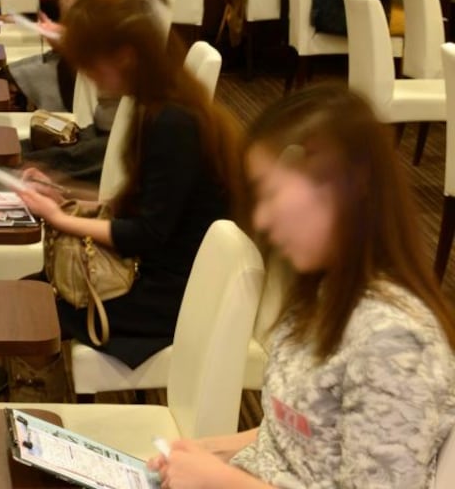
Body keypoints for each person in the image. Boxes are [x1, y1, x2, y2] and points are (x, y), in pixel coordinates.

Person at [149, 84, 455, 488]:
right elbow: (296, 435)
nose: (262, 220)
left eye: (273, 193)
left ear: (345, 187)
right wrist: (207, 451)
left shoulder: (394, 340)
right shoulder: (322, 293)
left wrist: (221, 481)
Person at [13, 0, 244, 400]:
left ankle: (42, 408)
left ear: (125, 55)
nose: (87, 73)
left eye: (92, 62)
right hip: (156, 271)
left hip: (172, 293)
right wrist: (66, 194)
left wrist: (61, 217)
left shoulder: (173, 121)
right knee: (29, 292)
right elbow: (144, 205)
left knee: (32, 304)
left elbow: (149, 232)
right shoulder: (162, 105)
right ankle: (40, 398)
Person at [16, 0, 173, 187]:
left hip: (119, 143)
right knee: (9, 158)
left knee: (10, 168)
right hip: (104, 132)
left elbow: (121, 76)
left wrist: (71, 45)